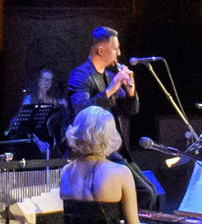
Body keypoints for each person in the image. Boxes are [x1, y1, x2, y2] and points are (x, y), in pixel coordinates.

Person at [68, 26, 162, 208]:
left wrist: (131, 91)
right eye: (115, 49)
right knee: (144, 193)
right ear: (100, 50)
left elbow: (130, 111)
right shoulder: (80, 75)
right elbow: (82, 111)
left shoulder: (109, 76)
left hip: (114, 150)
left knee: (152, 191)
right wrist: (111, 89)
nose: (119, 54)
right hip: (93, 151)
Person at [2, 67, 66, 159]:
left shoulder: (53, 100)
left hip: (47, 138)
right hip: (31, 138)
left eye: (50, 80)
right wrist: (38, 142)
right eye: (45, 80)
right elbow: (24, 126)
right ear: (39, 81)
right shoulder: (29, 99)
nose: (47, 83)